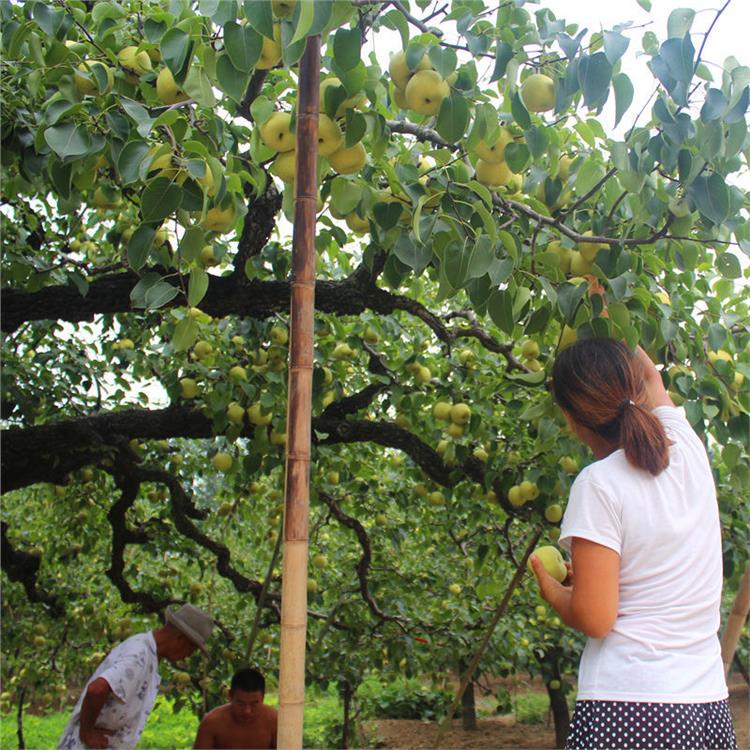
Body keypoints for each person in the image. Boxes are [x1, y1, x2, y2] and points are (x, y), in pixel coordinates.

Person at [530, 338, 737, 750]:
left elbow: (596, 617)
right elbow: (652, 376)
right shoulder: (689, 450)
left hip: (630, 704)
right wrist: (605, 297)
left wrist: (552, 589)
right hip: (706, 704)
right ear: (635, 392)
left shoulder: (599, 484)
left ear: (572, 420)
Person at [59, 604, 213, 750]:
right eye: (192, 649)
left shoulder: (146, 651)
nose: (188, 656)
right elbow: (97, 689)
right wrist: (87, 733)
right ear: (181, 639)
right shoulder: (139, 656)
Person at [194, 667, 277, 749]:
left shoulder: (275, 721)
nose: (247, 711)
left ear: (263, 698)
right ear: (230, 696)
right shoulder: (212, 722)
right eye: (241, 703)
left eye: (254, 704)